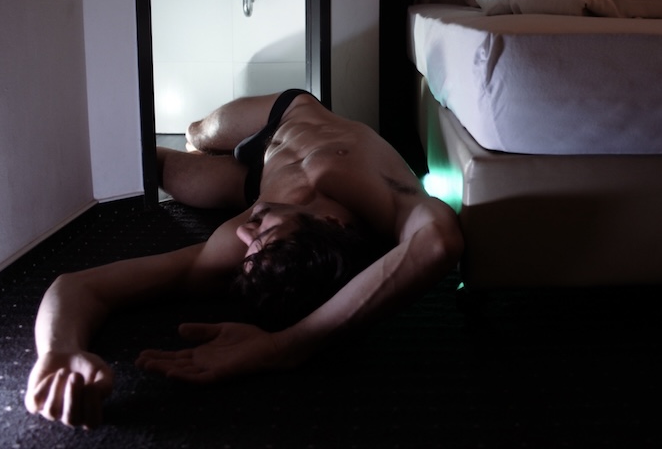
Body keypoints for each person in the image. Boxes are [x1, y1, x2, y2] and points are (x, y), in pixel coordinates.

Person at [24, 90, 464, 429]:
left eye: (250, 241)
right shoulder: (389, 201)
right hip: (288, 115)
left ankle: (208, 162)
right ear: (329, 222)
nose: (241, 232)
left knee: (150, 162)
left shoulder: (232, 247)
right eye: (264, 231)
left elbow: (79, 286)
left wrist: (58, 350)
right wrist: (289, 348)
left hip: (248, 186)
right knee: (198, 132)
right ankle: (200, 139)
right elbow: (439, 244)